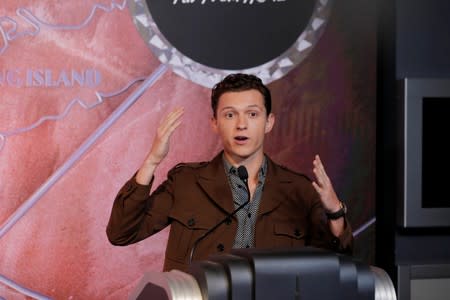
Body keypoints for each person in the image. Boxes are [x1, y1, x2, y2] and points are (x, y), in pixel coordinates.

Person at [106, 73, 353, 272]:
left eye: (252, 114)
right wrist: (152, 161)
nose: (241, 124)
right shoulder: (186, 182)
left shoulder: (299, 190)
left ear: (269, 122)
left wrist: (335, 212)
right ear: (214, 123)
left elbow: (334, 266)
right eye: (230, 114)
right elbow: (121, 233)